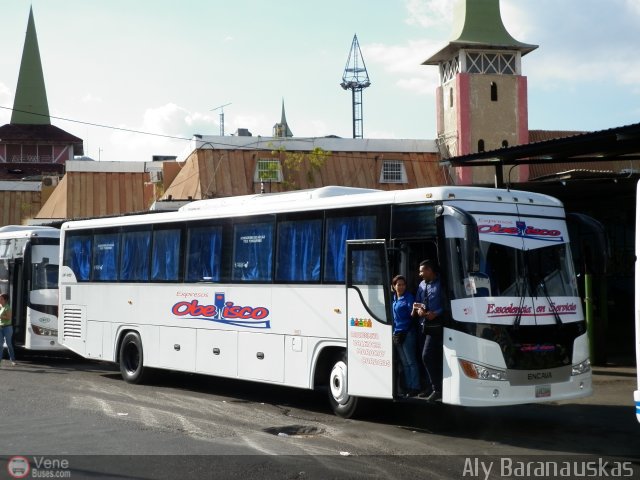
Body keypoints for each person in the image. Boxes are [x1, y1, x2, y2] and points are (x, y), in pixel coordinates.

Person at [412, 259, 443, 402]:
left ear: (429, 270)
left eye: (422, 271)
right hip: (422, 325)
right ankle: (430, 387)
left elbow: (448, 304)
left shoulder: (441, 284)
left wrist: (436, 313)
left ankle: (438, 389)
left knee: (427, 356)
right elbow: (418, 302)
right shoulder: (421, 284)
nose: (420, 274)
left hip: (435, 326)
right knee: (424, 357)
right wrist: (419, 309)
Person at [391, 275, 421, 397]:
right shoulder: (394, 298)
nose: (401, 286)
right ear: (394, 286)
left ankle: (415, 387)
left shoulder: (408, 297)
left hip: (407, 333)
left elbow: (412, 314)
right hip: (397, 334)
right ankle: (409, 386)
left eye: (403, 284)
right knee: (404, 362)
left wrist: (414, 309)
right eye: (399, 284)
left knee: (411, 362)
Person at [0, 293, 16, 366]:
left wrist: (1, 316)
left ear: (5, 300)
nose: (0, 299)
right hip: (0, 327)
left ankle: (12, 359)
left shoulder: (7, 307)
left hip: (7, 328)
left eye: (1, 298)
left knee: (9, 344)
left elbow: (9, 318)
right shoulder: (0, 306)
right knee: (0, 345)